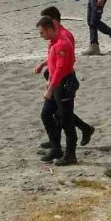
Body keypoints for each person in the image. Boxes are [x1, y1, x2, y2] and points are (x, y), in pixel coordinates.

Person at [35, 6, 95, 149]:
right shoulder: (54, 36)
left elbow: (65, 62)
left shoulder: (64, 36)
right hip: (54, 76)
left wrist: (50, 85)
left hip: (63, 79)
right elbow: (52, 57)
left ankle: (80, 133)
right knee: (56, 112)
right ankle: (56, 140)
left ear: (53, 22)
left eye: (46, 21)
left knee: (62, 113)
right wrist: (43, 65)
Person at [37, 16, 79, 165]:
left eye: (42, 32)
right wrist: (44, 69)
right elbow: (53, 62)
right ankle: (56, 148)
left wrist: (50, 88)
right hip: (55, 83)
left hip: (64, 85)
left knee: (66, 120)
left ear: (49, 29)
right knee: (46, 114)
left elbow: (60, 69)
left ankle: (71, 155)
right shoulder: (53, 42)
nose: (40, 35)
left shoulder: (61, 43)